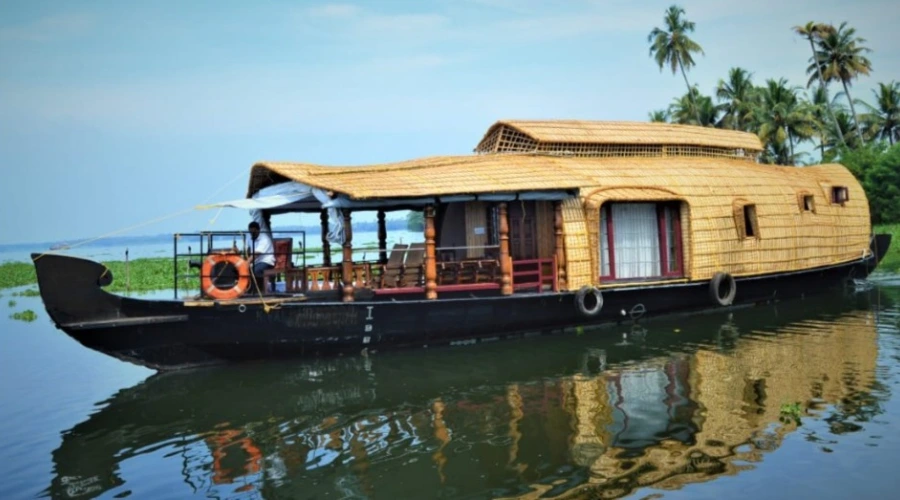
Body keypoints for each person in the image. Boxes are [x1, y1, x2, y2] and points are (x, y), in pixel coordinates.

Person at [248, 221, 275, 291]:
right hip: (256, 262)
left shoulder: (264, 239)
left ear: (258, 230)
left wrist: (246, 262)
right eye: (250, 232)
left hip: (266, 261)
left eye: (254, 232)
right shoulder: (250, 239)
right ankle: (250, 289)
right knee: (244, 271)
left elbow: (257, 254)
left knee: (255, 271)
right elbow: (248, 250)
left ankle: (260, 290)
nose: (252, 234)